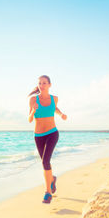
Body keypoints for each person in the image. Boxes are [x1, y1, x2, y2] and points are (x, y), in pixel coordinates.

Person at [28, 75, 67, 203]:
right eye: (40, 83)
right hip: (38, 136)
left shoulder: (54, 98)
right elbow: (29, 119)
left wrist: (61, 114)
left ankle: (48, 192)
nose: (42, 85)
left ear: (49, 85)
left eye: (44, 83)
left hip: (52, 133)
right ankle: (52, 179)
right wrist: (33, 111)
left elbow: (54, 108)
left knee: (45, 161)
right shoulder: (33, 100)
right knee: (46, 162)